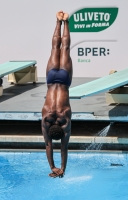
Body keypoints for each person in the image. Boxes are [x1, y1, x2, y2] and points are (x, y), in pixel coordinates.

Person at [42, 11, 73, 178]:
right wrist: (53, 166)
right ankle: (58, 22)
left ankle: (65, 22)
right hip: (51, 78)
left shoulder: (65, 118)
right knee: (55, 48)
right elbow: (48, 144)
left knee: (65, 48)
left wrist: (61, 168)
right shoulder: (45, 117)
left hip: (64, 79)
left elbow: (63, 148)